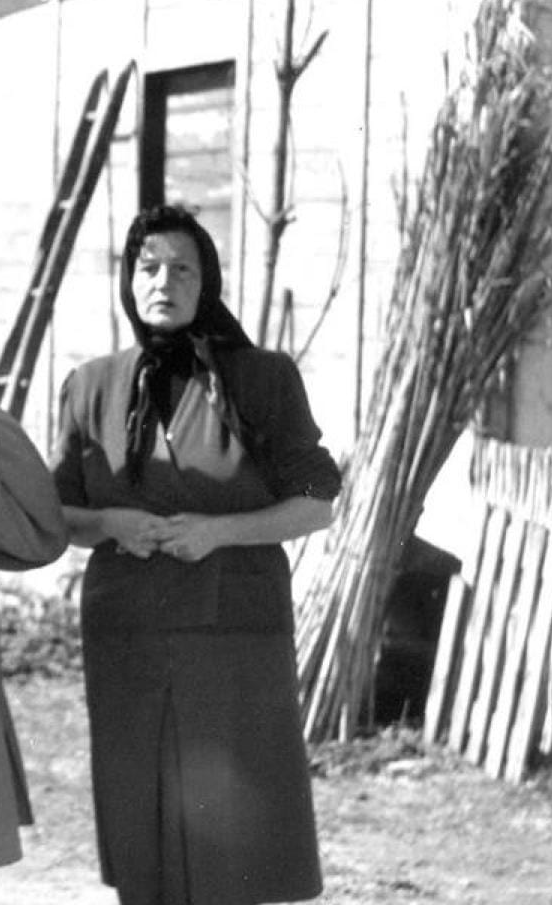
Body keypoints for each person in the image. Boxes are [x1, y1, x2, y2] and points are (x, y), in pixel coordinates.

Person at [50, 204, 338, 905]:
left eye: (183, 269)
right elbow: (55, 516)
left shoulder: (262, 379)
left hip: (234, 632)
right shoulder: (90, 385)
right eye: (149, 268)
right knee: (140, 816)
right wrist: (110, 522)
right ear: (128, 280)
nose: (164, 282)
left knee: (231, 833)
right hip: (129, 632)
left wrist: (218, 531)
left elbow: (317, 503)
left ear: (206, 282)